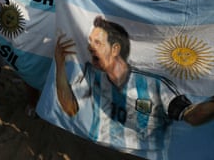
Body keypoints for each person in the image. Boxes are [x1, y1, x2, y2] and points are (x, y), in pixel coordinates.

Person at [54, 15, 214, 159]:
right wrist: (60, 65)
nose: (90, 47)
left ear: (115, 48)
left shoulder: (155, 85)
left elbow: (192, 116)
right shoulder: (92, 73)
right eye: (90, 42)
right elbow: (70, 108)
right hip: (97, 150)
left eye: (97, 43)